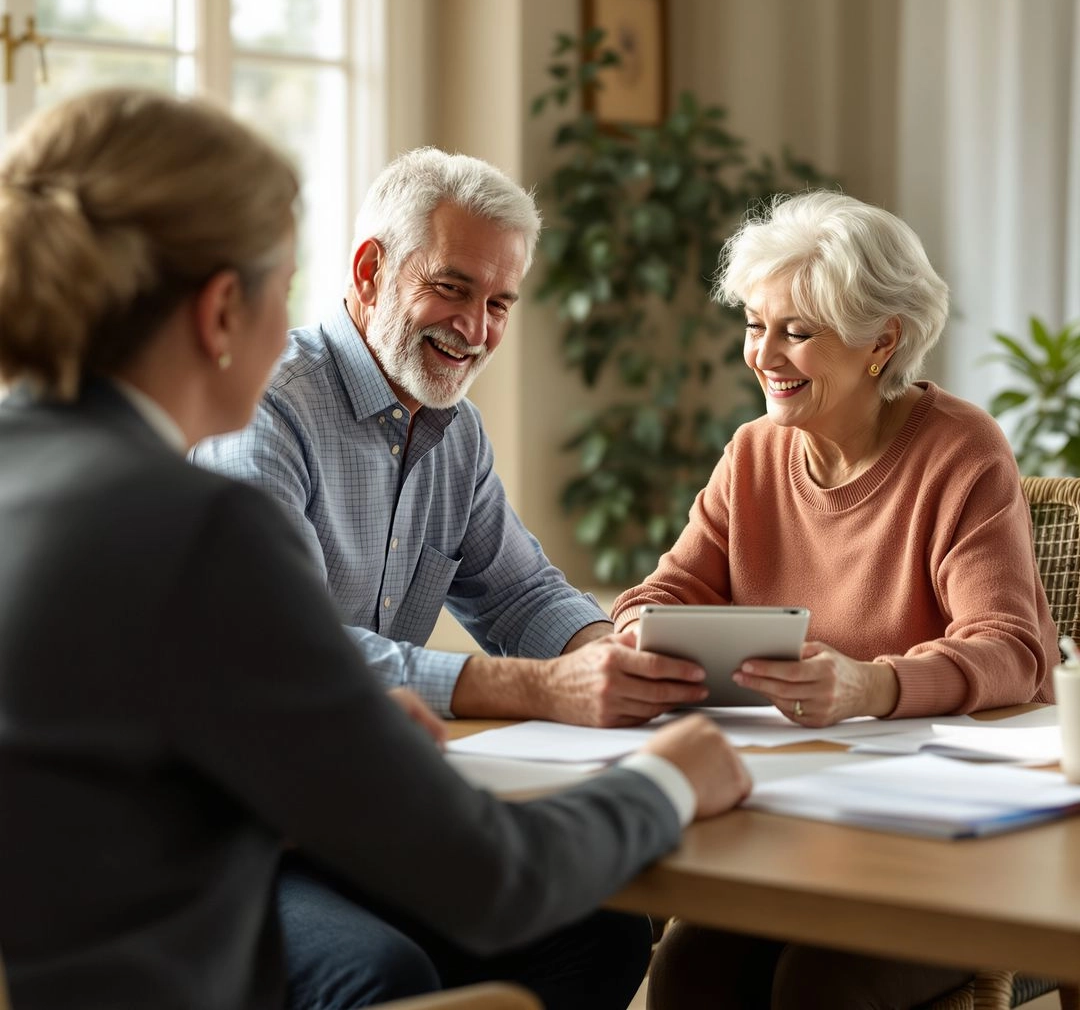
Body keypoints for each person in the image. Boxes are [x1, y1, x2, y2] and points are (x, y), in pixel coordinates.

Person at [0, 88, 754, 1010]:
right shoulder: (196, 521)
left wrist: (314, 727)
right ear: (221, 311)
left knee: (583, 935)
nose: (291, 324)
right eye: (284, 286)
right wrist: (669, 780)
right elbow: (491, 875)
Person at [192, 147, 716, 1009]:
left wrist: (613, 654)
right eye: (454, 287)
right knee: (384, 972)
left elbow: (519, 592)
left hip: (368, 809)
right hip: (251, 830)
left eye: (500, 302)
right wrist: (545, 689)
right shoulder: (268, 409)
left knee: (600, 932)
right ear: (370, 270)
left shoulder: (454, 431)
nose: (475, 329)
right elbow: (294, 659)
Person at [610, 190, 1058, 1010]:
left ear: (881, 342)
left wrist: (868, 684)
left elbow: (1013, 650)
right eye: (755, 324)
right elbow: (659, 591)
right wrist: (646, 630)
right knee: (685, 973)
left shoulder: (960, 451)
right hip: (783, 827)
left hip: (938, 849)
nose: (763, 355)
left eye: (798, 332)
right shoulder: (751, 455)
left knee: (820, 989)